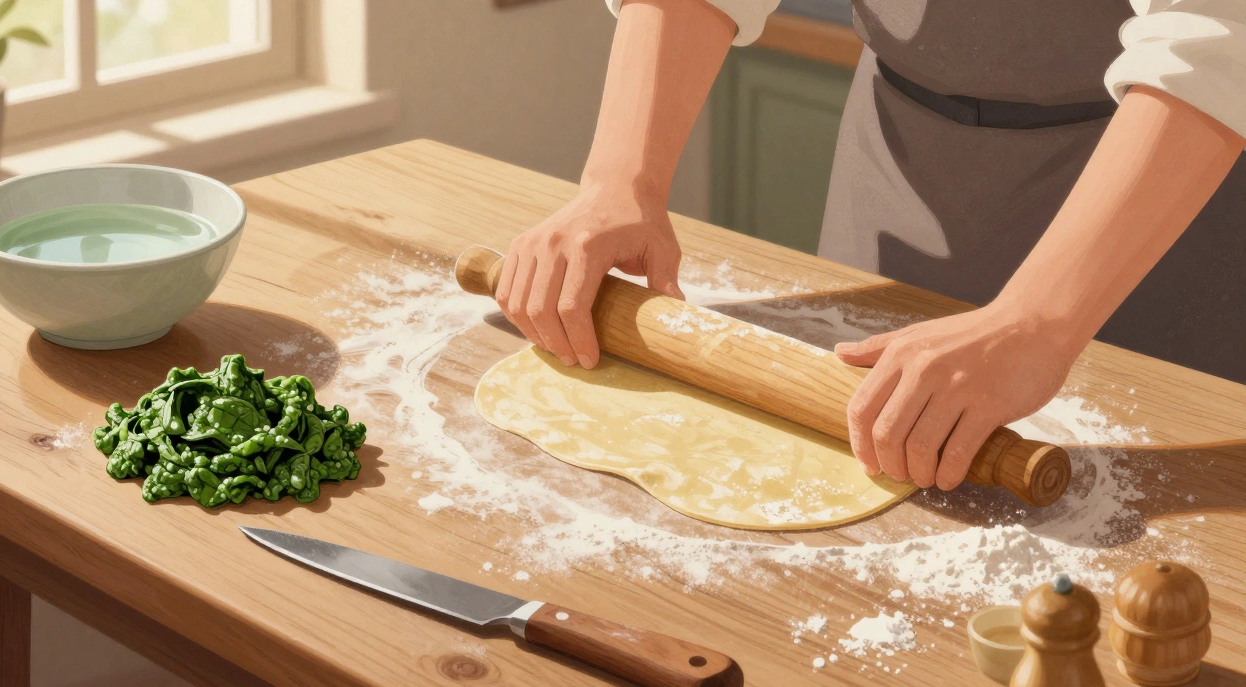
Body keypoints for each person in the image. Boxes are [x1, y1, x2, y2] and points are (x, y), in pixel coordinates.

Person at [495, 0, 1246, 493]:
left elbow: (1216, 30)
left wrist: (1038, 321)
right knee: (868, 458)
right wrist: (619, 182)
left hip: (1149, 185)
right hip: (897, 156)